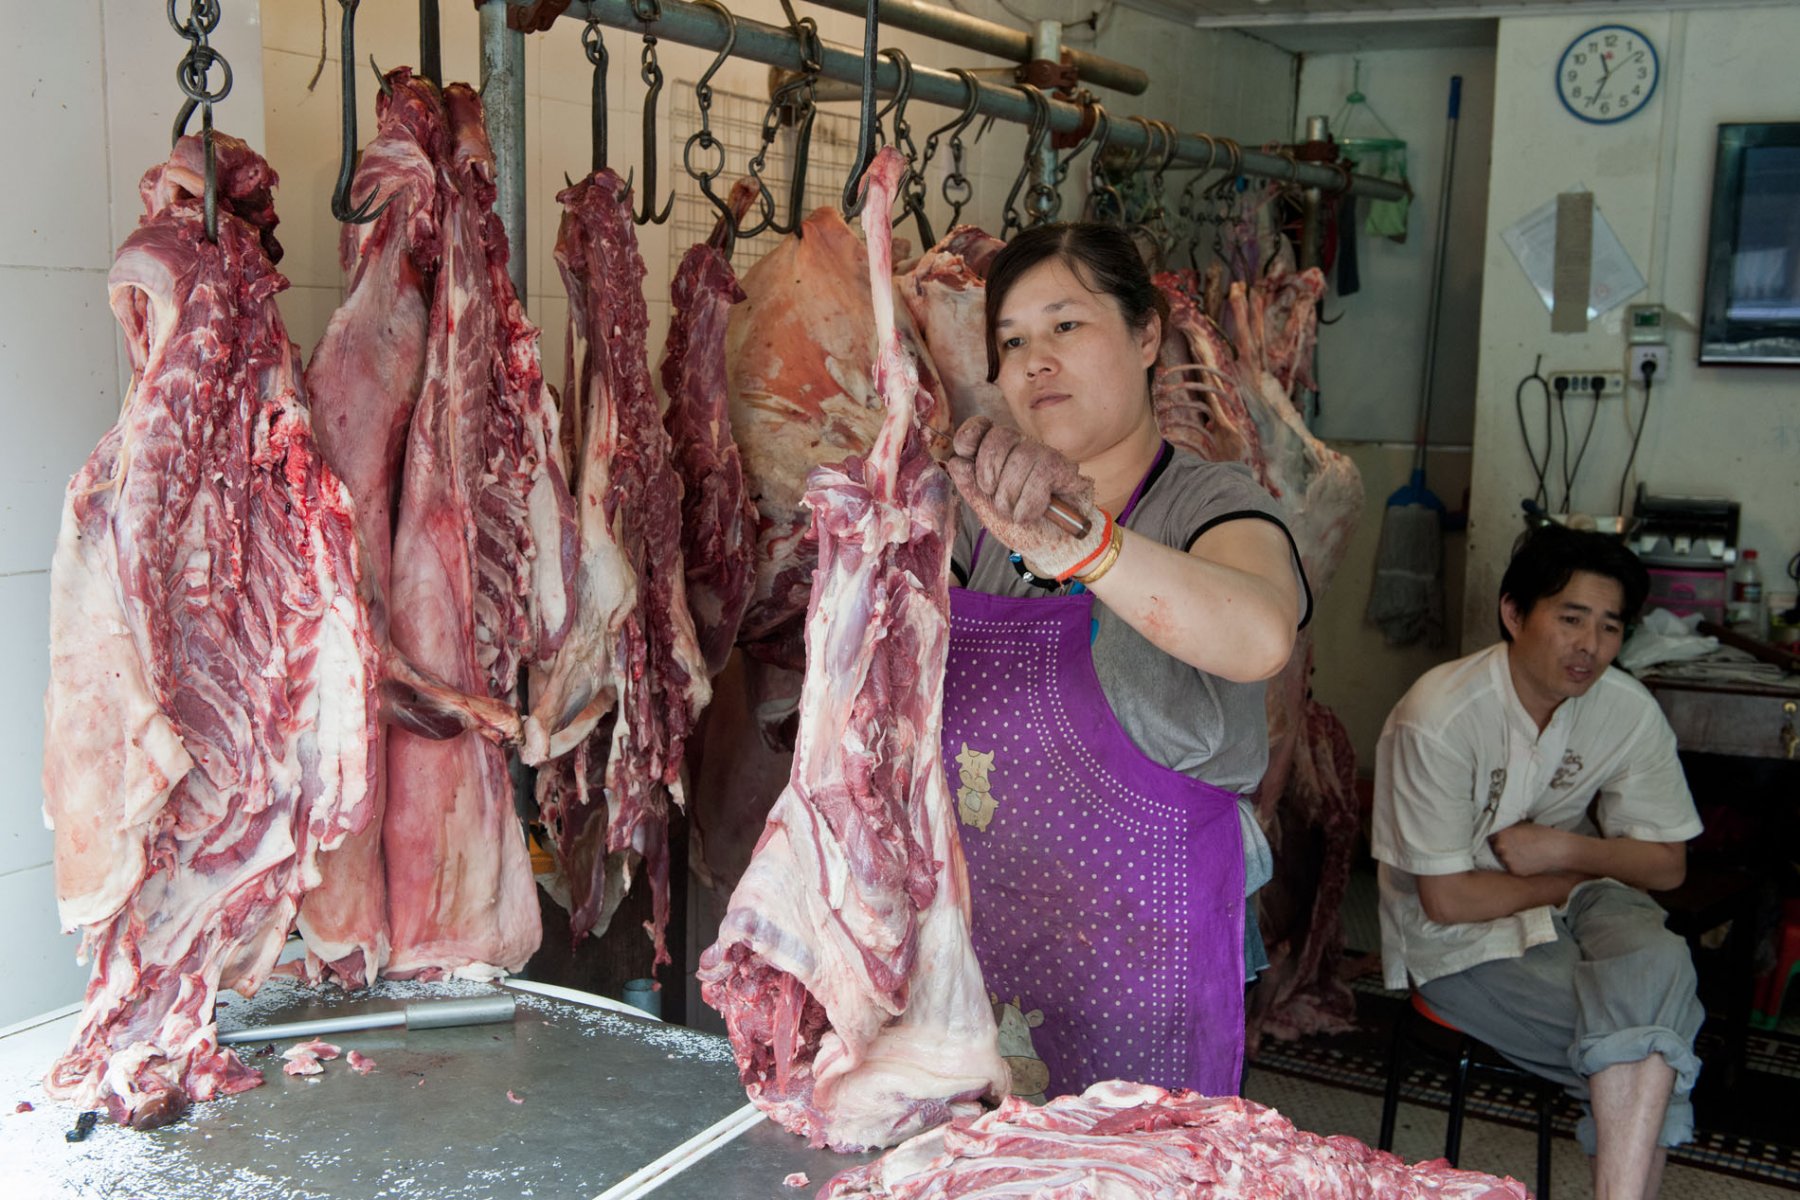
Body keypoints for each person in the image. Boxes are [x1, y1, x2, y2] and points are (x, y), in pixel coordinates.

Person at [940, 222, 1310, 1101]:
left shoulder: (1212, 501)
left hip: (1147, 934)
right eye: (1012, 341)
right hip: (986, 924)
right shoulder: (979, 524)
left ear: (1147, 336)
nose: (1036, 362)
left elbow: (1259, 634)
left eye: (1066, 326)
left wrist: (1085, 547)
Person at [1371, 523, 1703, 1200]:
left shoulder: (1626, 709)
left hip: (1582, 896)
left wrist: (1566, 851)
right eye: (1571, 618)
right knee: (1655, 1042)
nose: (1591, 647)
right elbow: (1449, 902)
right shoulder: (1440, 717)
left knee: (1660, 964)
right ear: (1514, 613)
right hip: (1464, 940)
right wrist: (1582, 872)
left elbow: (1668, 867)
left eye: (1610, 627)